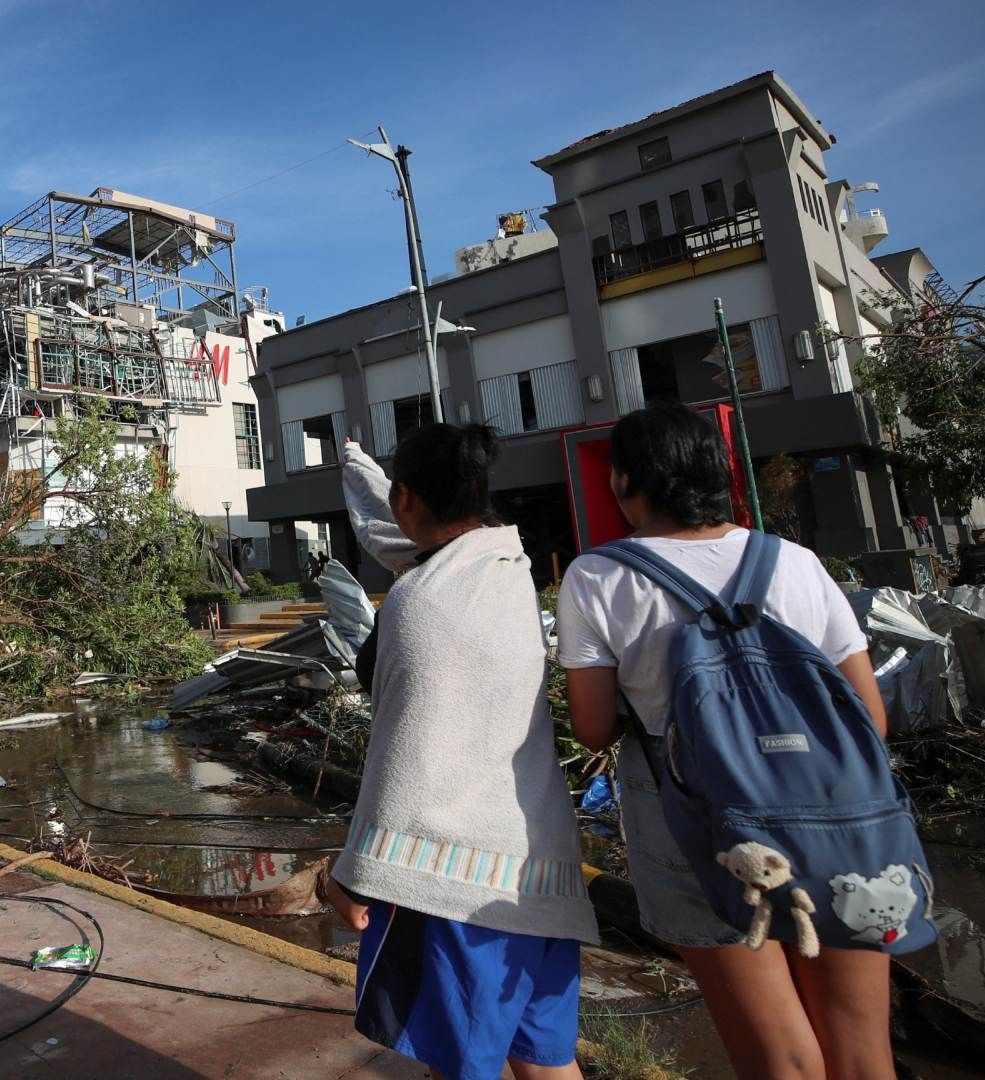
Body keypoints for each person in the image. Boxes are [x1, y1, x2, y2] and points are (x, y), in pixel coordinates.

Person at [555, 403, 893, 1080]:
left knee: (779, 1057)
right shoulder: (795, 562)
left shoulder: (598, 577)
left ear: (625, 482)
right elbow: (869, 716)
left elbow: (592, 729)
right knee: (862, 1051)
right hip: (834, 812)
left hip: (696, 822)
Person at [322, 423, 597, 1080]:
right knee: (546, 1063)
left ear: (408, 497)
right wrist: (357, 465)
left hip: (456, 886)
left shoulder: (414, 600)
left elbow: (405, 750)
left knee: (459, 1063)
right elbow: (396, 534)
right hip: (541, 871)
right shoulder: (508, 569)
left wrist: (352, 869)